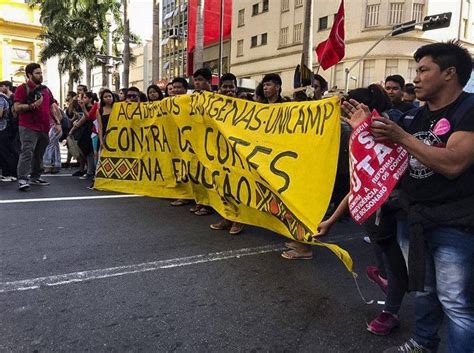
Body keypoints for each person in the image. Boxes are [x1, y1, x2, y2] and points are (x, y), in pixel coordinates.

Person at [344, 42, 474, 353]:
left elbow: (454, 163)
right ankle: (423, 343)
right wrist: (363, 128)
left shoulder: (469, 110)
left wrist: (400, 137)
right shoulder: (416, 117)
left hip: (454, 224)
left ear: (449, 73)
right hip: (415, 220)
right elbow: (392, 159)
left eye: (423, 70)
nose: (415, 78)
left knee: (455, 302)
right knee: (425, 292)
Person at [323, 84, 409, 336]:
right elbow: (359, 186)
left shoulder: (394, 133)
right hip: (377, 217)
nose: (345, 120)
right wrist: (331, 220)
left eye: (349, 113)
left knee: (402, 268)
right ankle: (386, 279)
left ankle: (391, 309)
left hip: (401, 215)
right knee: (384, 256)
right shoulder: (359, 139)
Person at [13, 62, 61, 190]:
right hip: (28, 127)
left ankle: (36, 176)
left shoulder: (45, 89)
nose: (40, 75)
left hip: (44, 127)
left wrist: (57, 123)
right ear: (29, 74)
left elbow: (52, 106)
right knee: (27, 152)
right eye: (37, 73)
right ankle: (23, 179)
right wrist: (31, 106)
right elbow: (16, 107)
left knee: (40, 153)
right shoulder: (22, 88)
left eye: (41, 73)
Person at [209, 73, 244, 235]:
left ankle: (239, 220)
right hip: (220, 152)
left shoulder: (244, 104)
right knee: (223, 187)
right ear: (220, 88)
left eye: (231, 87)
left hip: (238, 154)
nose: (228, 90)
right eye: (225, 87)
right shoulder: (212, 104)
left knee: (238, 188)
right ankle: (227, 217)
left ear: (236, 88)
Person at [68, 92, 99, 180]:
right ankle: (88, 170)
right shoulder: (84, 107)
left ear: (90, 99)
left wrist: (72, 130)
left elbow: (86, 118)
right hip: (85, 131)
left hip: (90, 131)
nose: (83, 99)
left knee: (89, 151)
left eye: (85, 97)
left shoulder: (93, 107)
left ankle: (90, 171)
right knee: (86, 151)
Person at [0, 81, 18, 181]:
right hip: (7, 127)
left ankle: (10, 174)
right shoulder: (5, 98)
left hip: (4, 128)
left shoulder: (1, 98)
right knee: (5, 151)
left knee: (6, 151)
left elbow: (0, 114)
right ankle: (7, 173)